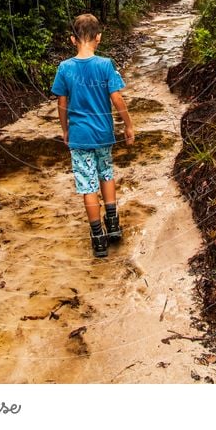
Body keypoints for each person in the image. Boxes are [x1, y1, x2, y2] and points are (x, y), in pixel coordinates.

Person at [51, 13, 135, 258]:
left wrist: (65, 130)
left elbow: (62, 103)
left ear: (72, 39)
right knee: (106, 173)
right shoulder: (106, 65)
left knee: (88, 184)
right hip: (103, 134)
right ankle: (114, 224)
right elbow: (117, 98)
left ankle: (98, 237)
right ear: (98, 38)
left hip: (79, 136)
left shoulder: (65, 68)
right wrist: (128, 125)